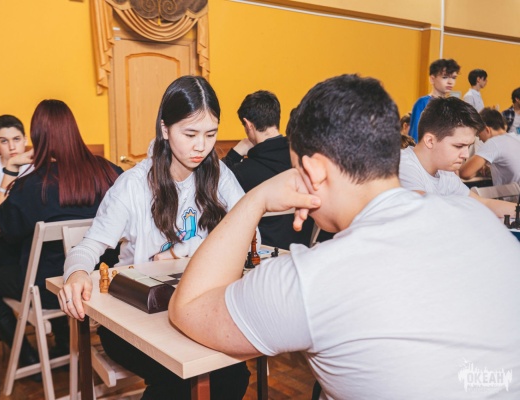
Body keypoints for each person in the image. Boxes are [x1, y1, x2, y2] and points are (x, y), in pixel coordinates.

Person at [168, 74, 520, 399]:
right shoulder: (480, 219)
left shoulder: (313, 278)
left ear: (313, 170)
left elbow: (189, 308)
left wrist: (254, 200)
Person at [59, 76, 252, 399]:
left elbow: (249, 233)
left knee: (232, 376)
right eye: (190, 134)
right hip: (135, 315)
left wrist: (182, 250)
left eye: (211, 134)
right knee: (181, 381)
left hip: (196, 305)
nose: (201, 146)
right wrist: (76, 272)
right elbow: (90, 245)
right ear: (165, 129)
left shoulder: (219, 174)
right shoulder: (133, 185)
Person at [0, 100, 121, 374]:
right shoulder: (111, 172)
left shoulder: (32, 185)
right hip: (103, 281)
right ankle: (63, 343)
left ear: (36, 137)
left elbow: (5, 225)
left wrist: (11, 169)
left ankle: (28, 358)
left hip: (51, 291)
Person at [222, 90, 315, 249]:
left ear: (248, 125)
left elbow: (215, 182)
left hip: (262, 252)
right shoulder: (304, 161)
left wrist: (236, 152)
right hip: (305, 249)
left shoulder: (242, 172)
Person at [399, 96, 517, 217]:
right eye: (459, 146)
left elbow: (481, 203)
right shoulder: (402, 166)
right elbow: (428, 210)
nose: (466, 155)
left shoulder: (445, 172)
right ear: (430, 141)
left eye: (468, 146)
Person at [460, 107, 520, 187]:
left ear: (487, 129)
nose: (480, 139)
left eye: (479, 135)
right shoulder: (517, 137)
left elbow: (465, 173)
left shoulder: (494, 142)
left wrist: (477, 170)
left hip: (513, 194)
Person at [408, 58, 460, 143]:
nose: (450, 82)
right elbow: (415, 134)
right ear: (432, 79)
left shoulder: (452, 106)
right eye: (445, 77)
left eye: (454, 78)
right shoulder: (423, 103)